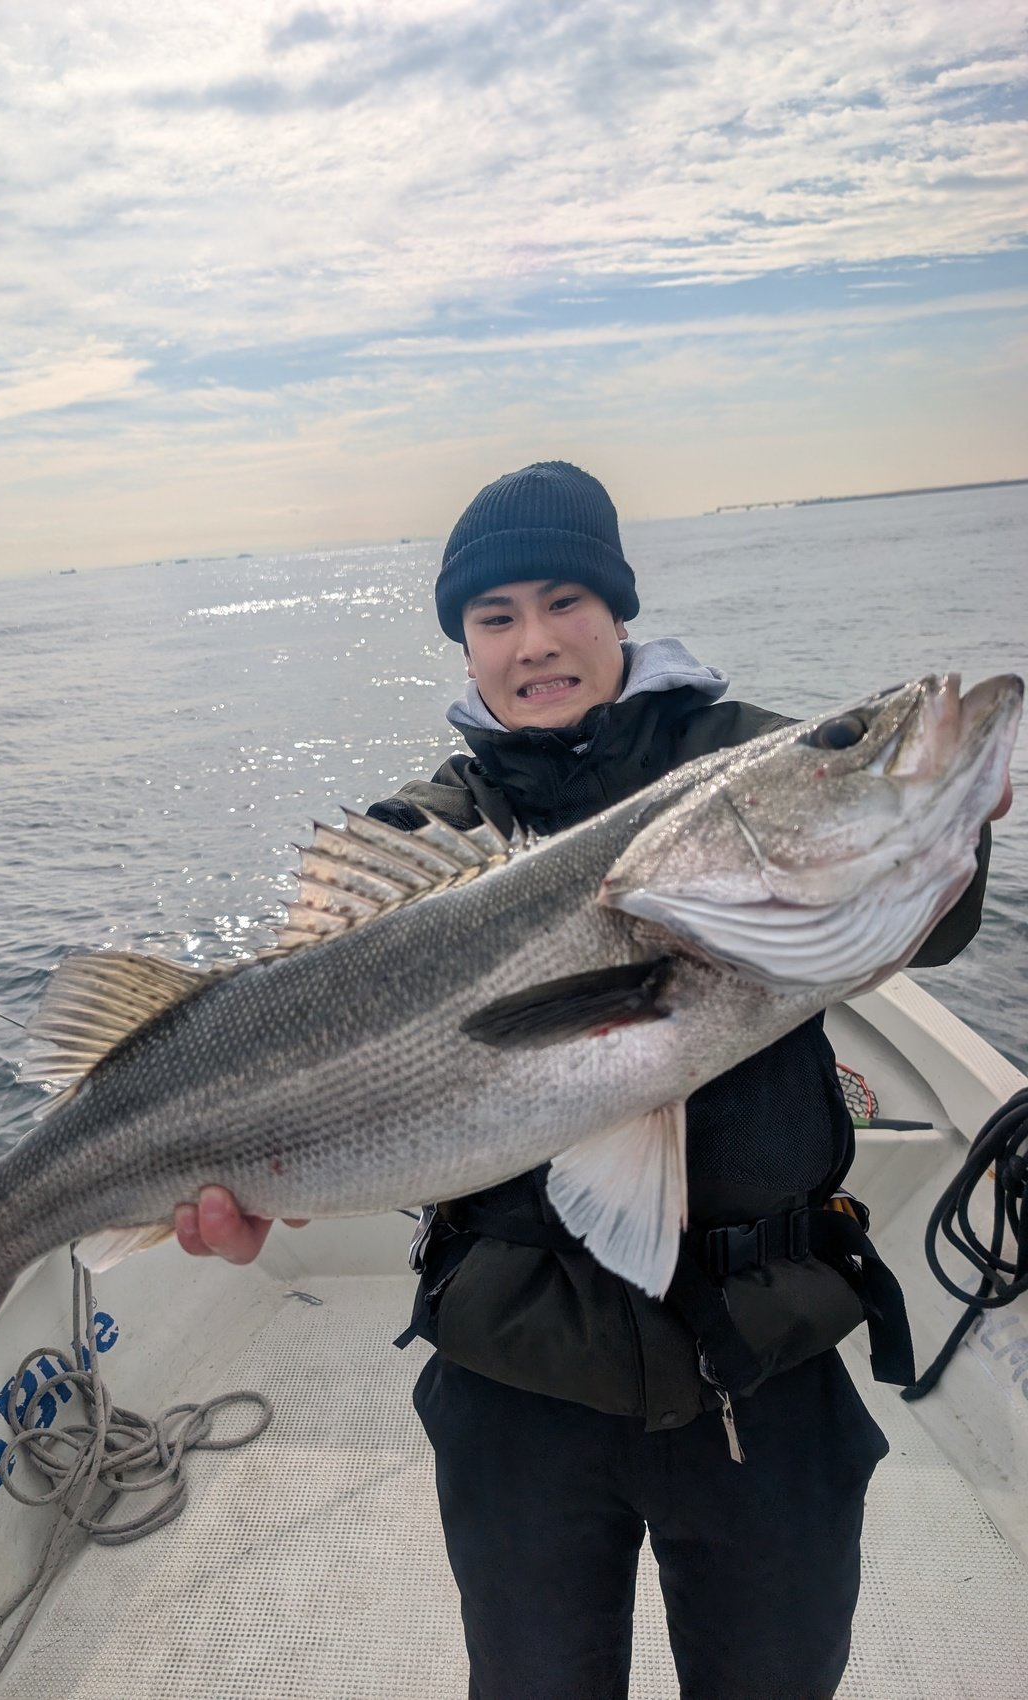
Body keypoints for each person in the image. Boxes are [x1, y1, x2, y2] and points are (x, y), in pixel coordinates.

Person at [174, 462, 1008, 1700]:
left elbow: (930, 923)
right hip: (516, 1372)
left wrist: (952, 817)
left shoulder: (734, 758)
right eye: (494, 615)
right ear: (464, 643)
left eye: (564, 600)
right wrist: (267, 1169)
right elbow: (314, 1018)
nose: (534, 641)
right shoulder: (425, 830)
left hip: (761, 1349)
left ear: (617, 606)